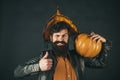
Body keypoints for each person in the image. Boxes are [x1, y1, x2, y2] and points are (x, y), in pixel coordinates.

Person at [14, 9, 111, 80]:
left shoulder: (78, 58)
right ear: (51, 38)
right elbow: (17, 72)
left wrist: (105, 44)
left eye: (64, 36)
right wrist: (38, 66)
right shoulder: (45, 59)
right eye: (57, 36)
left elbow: (101, 63)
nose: (60, 39)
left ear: (68, 37)